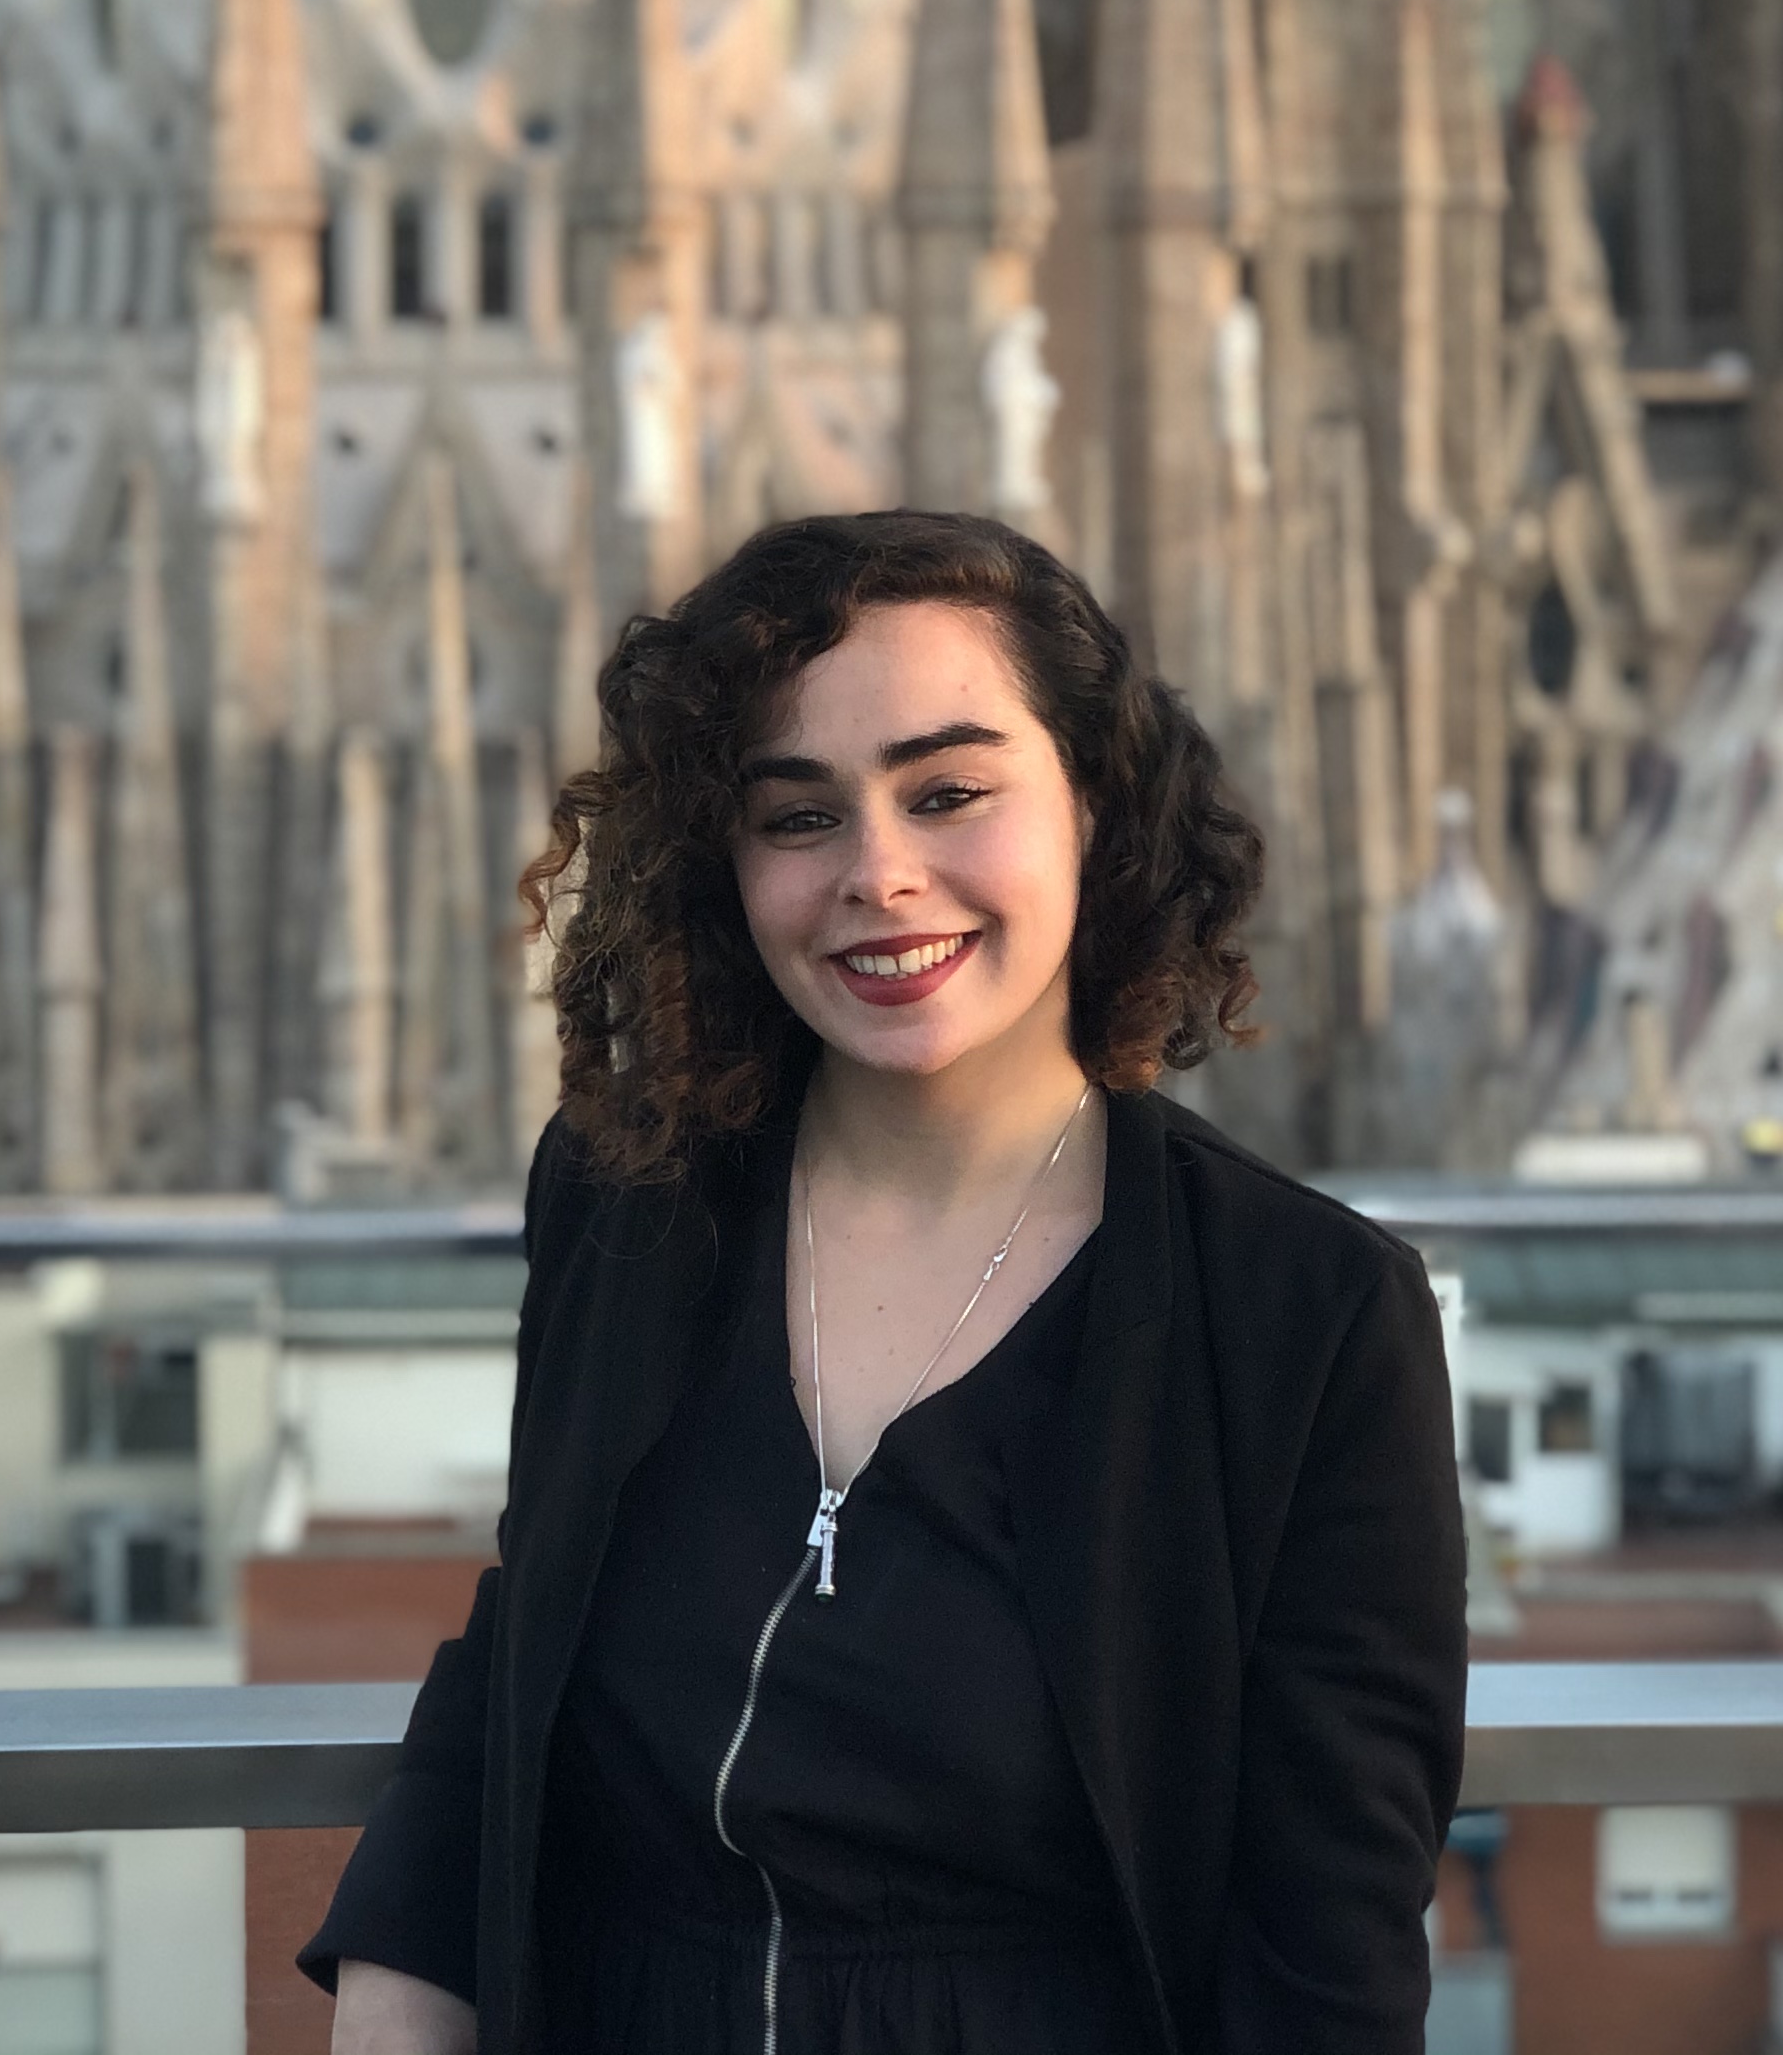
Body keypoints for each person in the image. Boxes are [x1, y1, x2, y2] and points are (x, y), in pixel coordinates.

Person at [307, 511, 1466, 2054]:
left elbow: (1327, 1962)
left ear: (1095, 805)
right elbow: (523, 1650)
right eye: (798, 816)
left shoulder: (1303, 1318)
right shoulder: (626, 1200)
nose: (880, 875)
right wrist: (393, 1999)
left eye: (949, 793)